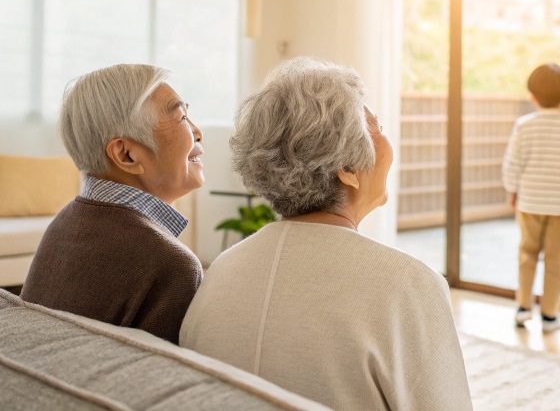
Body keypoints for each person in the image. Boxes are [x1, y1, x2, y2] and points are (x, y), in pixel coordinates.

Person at [180, 57, 473, 411]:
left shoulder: (221, 270)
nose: (387, 141)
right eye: (377, 127)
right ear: (347, 169)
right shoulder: (407, 284)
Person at [21, 64, 204, 344]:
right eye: (181, 118)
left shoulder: (65, 221)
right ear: (126, 154)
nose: (198, 132)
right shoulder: (172, 265)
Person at [502, 63, 560, 334]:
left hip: (530, 201)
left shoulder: (524, 125)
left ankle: (524, 308)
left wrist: (511, 190)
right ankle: (550, 315)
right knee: (555, 259)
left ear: (532, 95)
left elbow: (513, 163)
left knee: (527, 254)